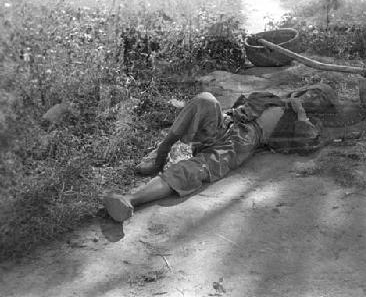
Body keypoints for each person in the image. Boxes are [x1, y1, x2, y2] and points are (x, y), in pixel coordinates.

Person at [103, 84, 337, 222]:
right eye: (313, 92)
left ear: (322, 106)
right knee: (205, 99)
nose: (312, 97)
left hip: (243, 138)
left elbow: (308, 139)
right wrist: (285, 100)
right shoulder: (273, 97)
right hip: (227, 120)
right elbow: (243, 103)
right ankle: (162, 151)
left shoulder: (304, 117)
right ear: (304, 89)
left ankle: (130, 200)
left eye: (320, 98)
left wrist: (301, 113)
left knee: (198, 167)